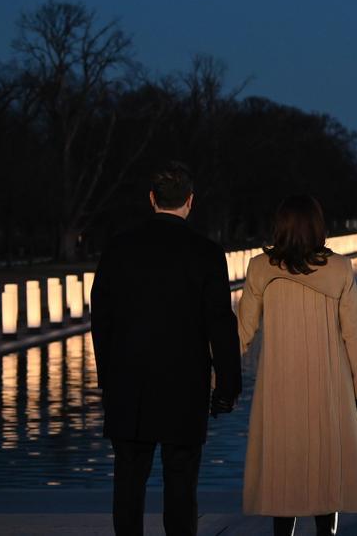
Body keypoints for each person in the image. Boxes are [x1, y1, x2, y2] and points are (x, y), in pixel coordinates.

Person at [90, 161, 242, 536]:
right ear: (190, 201)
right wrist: (227, 386)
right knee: (181, 483)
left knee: (128, 481)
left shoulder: (118, 248)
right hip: (184, 383)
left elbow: (101, 318)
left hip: (129, 381)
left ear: (152, 199)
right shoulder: (206, 253)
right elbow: (220, 324)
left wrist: (107, 377)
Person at [238, 195, 357, 536]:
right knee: (327, 474)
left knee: (283, 474)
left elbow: (242, 333)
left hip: (279, 388)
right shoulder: (340, 269)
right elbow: (354, 337)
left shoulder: (259, 268)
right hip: (330, 388)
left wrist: (214, 377)